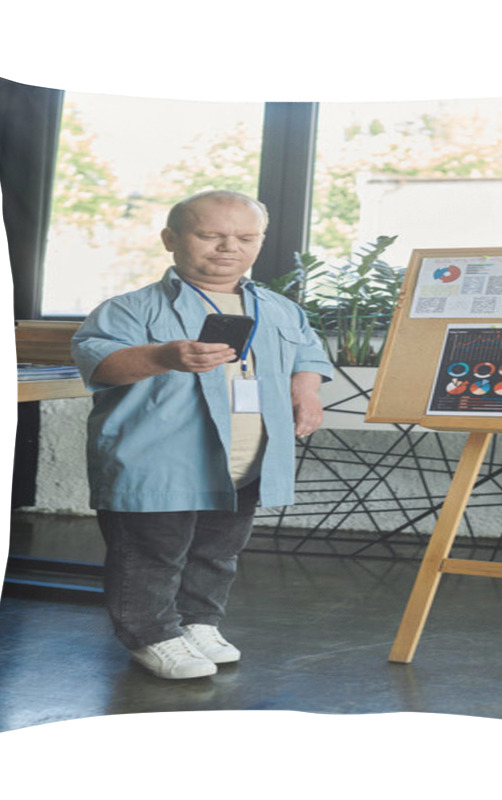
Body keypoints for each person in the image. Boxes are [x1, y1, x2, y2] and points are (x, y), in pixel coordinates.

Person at [71, 190, 333, 680]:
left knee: (217, 552)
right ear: (171, 239)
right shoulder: (130, 308)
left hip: (244, 461)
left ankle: (198, 623)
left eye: (245, 237)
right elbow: (98, 361)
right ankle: (150, 636)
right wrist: (164, 357)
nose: (227, 247)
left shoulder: (280, 309)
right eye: (210, 235)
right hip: (159, 461)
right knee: (151, 555)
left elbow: (308, 357)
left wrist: (307, 392)